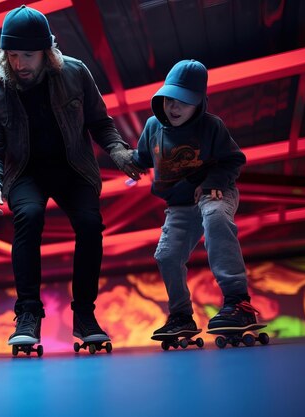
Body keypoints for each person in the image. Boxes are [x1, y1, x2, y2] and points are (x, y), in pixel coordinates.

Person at [0, 5, 142, 348]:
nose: (20, 64)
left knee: (88, 224)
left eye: (28, 55)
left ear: (46, 51)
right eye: (12, 55)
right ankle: (27, 313)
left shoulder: (74, 73)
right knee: (29, 215)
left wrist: (118, 151)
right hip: (26, 171)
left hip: (74, 166)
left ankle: (84, 315)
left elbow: (100, 122)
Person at [131, 59, 262, 337]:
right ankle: (180, 315)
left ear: (199, 103)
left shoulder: (212, 126)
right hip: (179, 203)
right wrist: (128, 162)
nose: (174, 107)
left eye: (183, 102)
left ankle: (238, 302)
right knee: (166, 255)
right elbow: (142, 157)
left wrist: (213, 182)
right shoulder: (153, 126)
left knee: (215, 218)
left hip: (214, 191)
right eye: (169, 99)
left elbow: (233, 160)